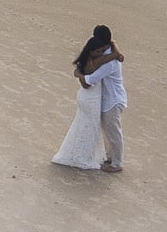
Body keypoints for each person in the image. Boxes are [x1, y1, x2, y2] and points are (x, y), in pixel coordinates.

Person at [51, 25, 123, 171]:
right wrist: (79, 75)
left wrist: (78, 74)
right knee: (105, 130)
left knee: (110, 132)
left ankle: (116, 163)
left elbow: (89, 80)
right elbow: (88, 81)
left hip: (109, 100)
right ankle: (112, 158)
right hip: (98, 99)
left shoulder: (105, 59)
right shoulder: (104, 56)